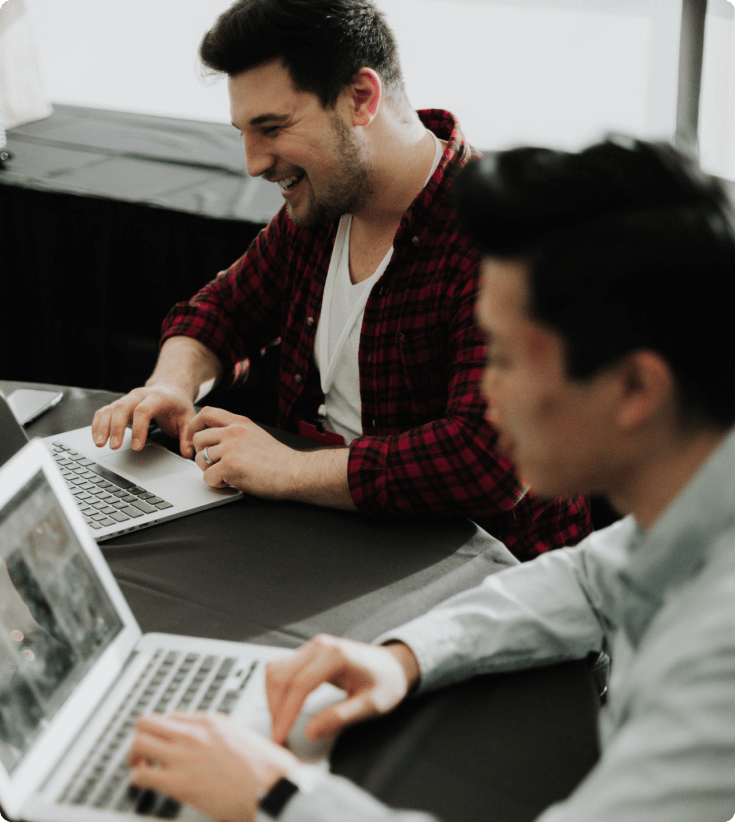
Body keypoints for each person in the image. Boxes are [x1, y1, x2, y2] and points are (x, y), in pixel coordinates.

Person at [126, 136, 735, 822]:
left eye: (501, 358)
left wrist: (277, 794)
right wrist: (403, 656)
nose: (484, 394)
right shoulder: (697, 499)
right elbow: (591, 579)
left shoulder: (716, 671)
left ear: (634, 389)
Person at [89, 0, 590, 560]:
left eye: (272, 128)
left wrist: (290, 469)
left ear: (360, 99)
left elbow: (489, 460)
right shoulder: (323, 204)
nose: (253, 163)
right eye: (243, 133)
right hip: (332, 538)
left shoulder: (502, 238)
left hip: (479, 574)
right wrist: (171, 385)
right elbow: (223, 311)